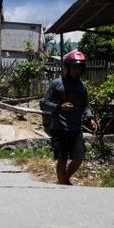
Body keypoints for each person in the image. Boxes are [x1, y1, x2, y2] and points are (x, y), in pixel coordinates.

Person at [40, 50, 99, 185]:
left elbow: (86, 106)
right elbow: (45, 103)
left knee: (78, 158)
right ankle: (63, 184)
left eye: (79, 68)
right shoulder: (56, 84)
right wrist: (60, 107)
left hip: (76, 128)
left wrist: (90, 118)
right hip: (59, 128)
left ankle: (63, 181)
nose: (76, 70)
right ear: (67, 67)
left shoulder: (82, 87)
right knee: (62, 159)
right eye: (74, 67)